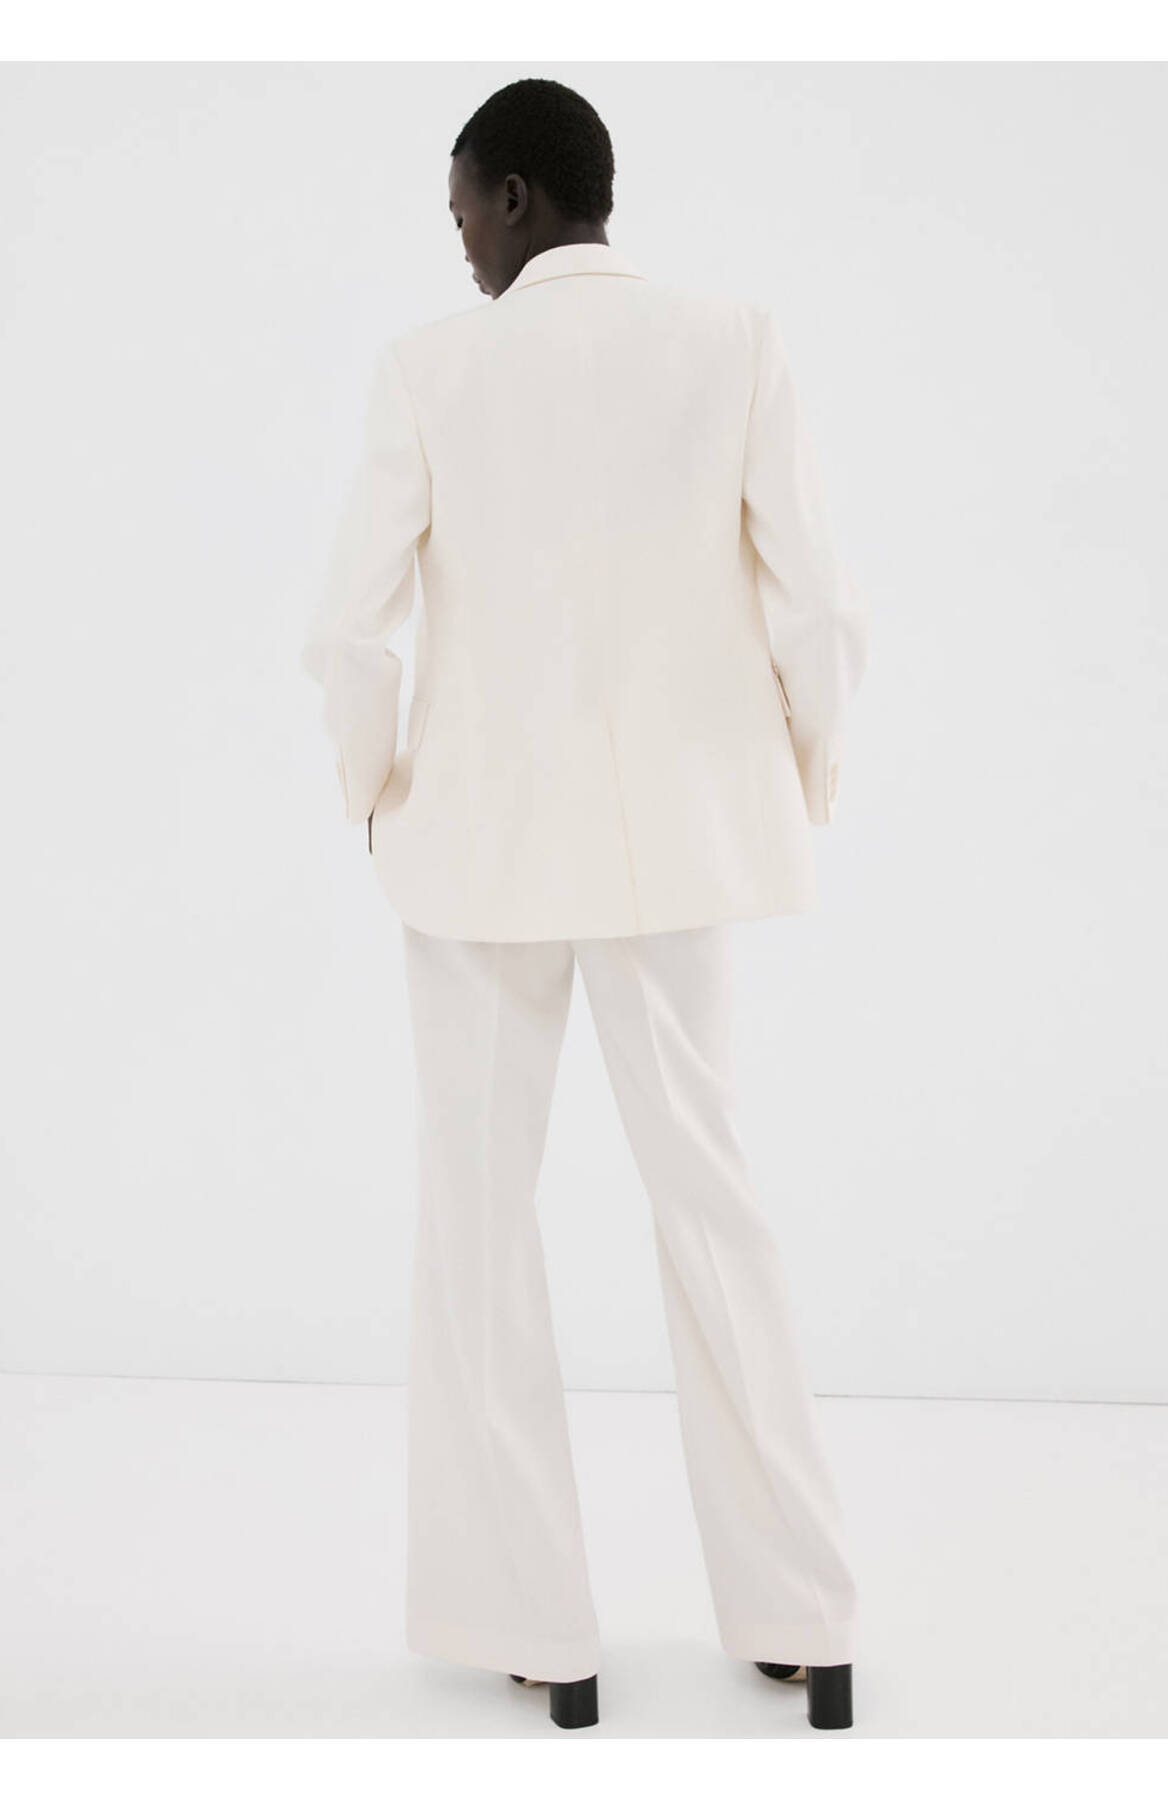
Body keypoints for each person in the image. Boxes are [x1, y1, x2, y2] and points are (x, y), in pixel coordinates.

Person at [301, 76, 869, 1733]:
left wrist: (371, 787)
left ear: (521, 196)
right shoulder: (735, 343)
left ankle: (541, 1631)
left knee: (479, 1223)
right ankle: (805, 1617)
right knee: (715, 1205)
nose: (464, 246)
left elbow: (348, 629)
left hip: (479, 854)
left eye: (466, 212)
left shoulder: (432, 369)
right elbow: (822, 609)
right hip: (679, 850)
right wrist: (798, 785)